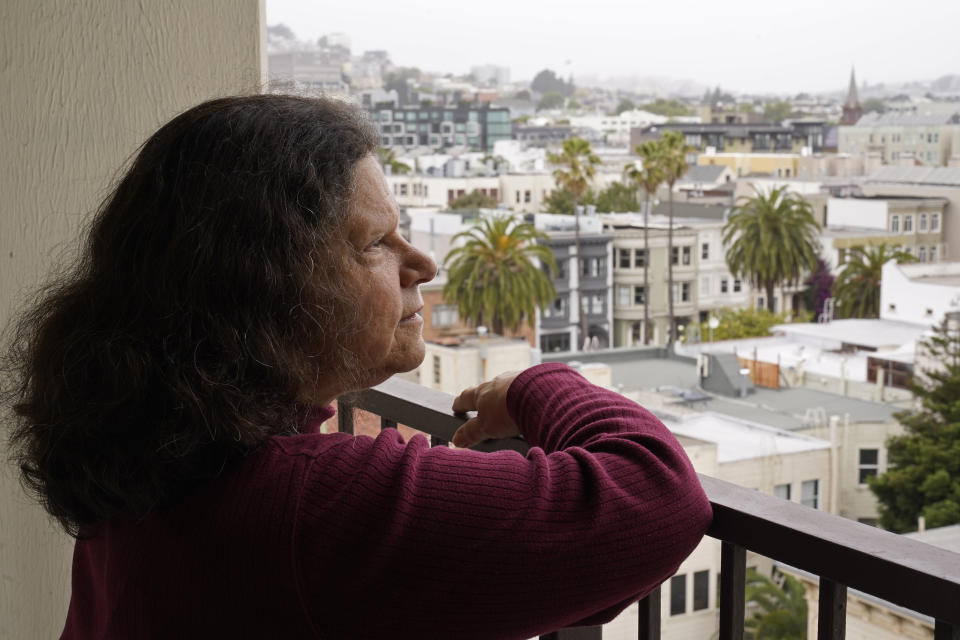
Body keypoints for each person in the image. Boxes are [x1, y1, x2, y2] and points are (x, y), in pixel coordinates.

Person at [3, 95, 712, 639]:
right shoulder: (307, 507)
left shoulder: (147, 451)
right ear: (271, 282)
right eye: (377, 241)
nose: (424, 263)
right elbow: (655, 495)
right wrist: (539, 385)